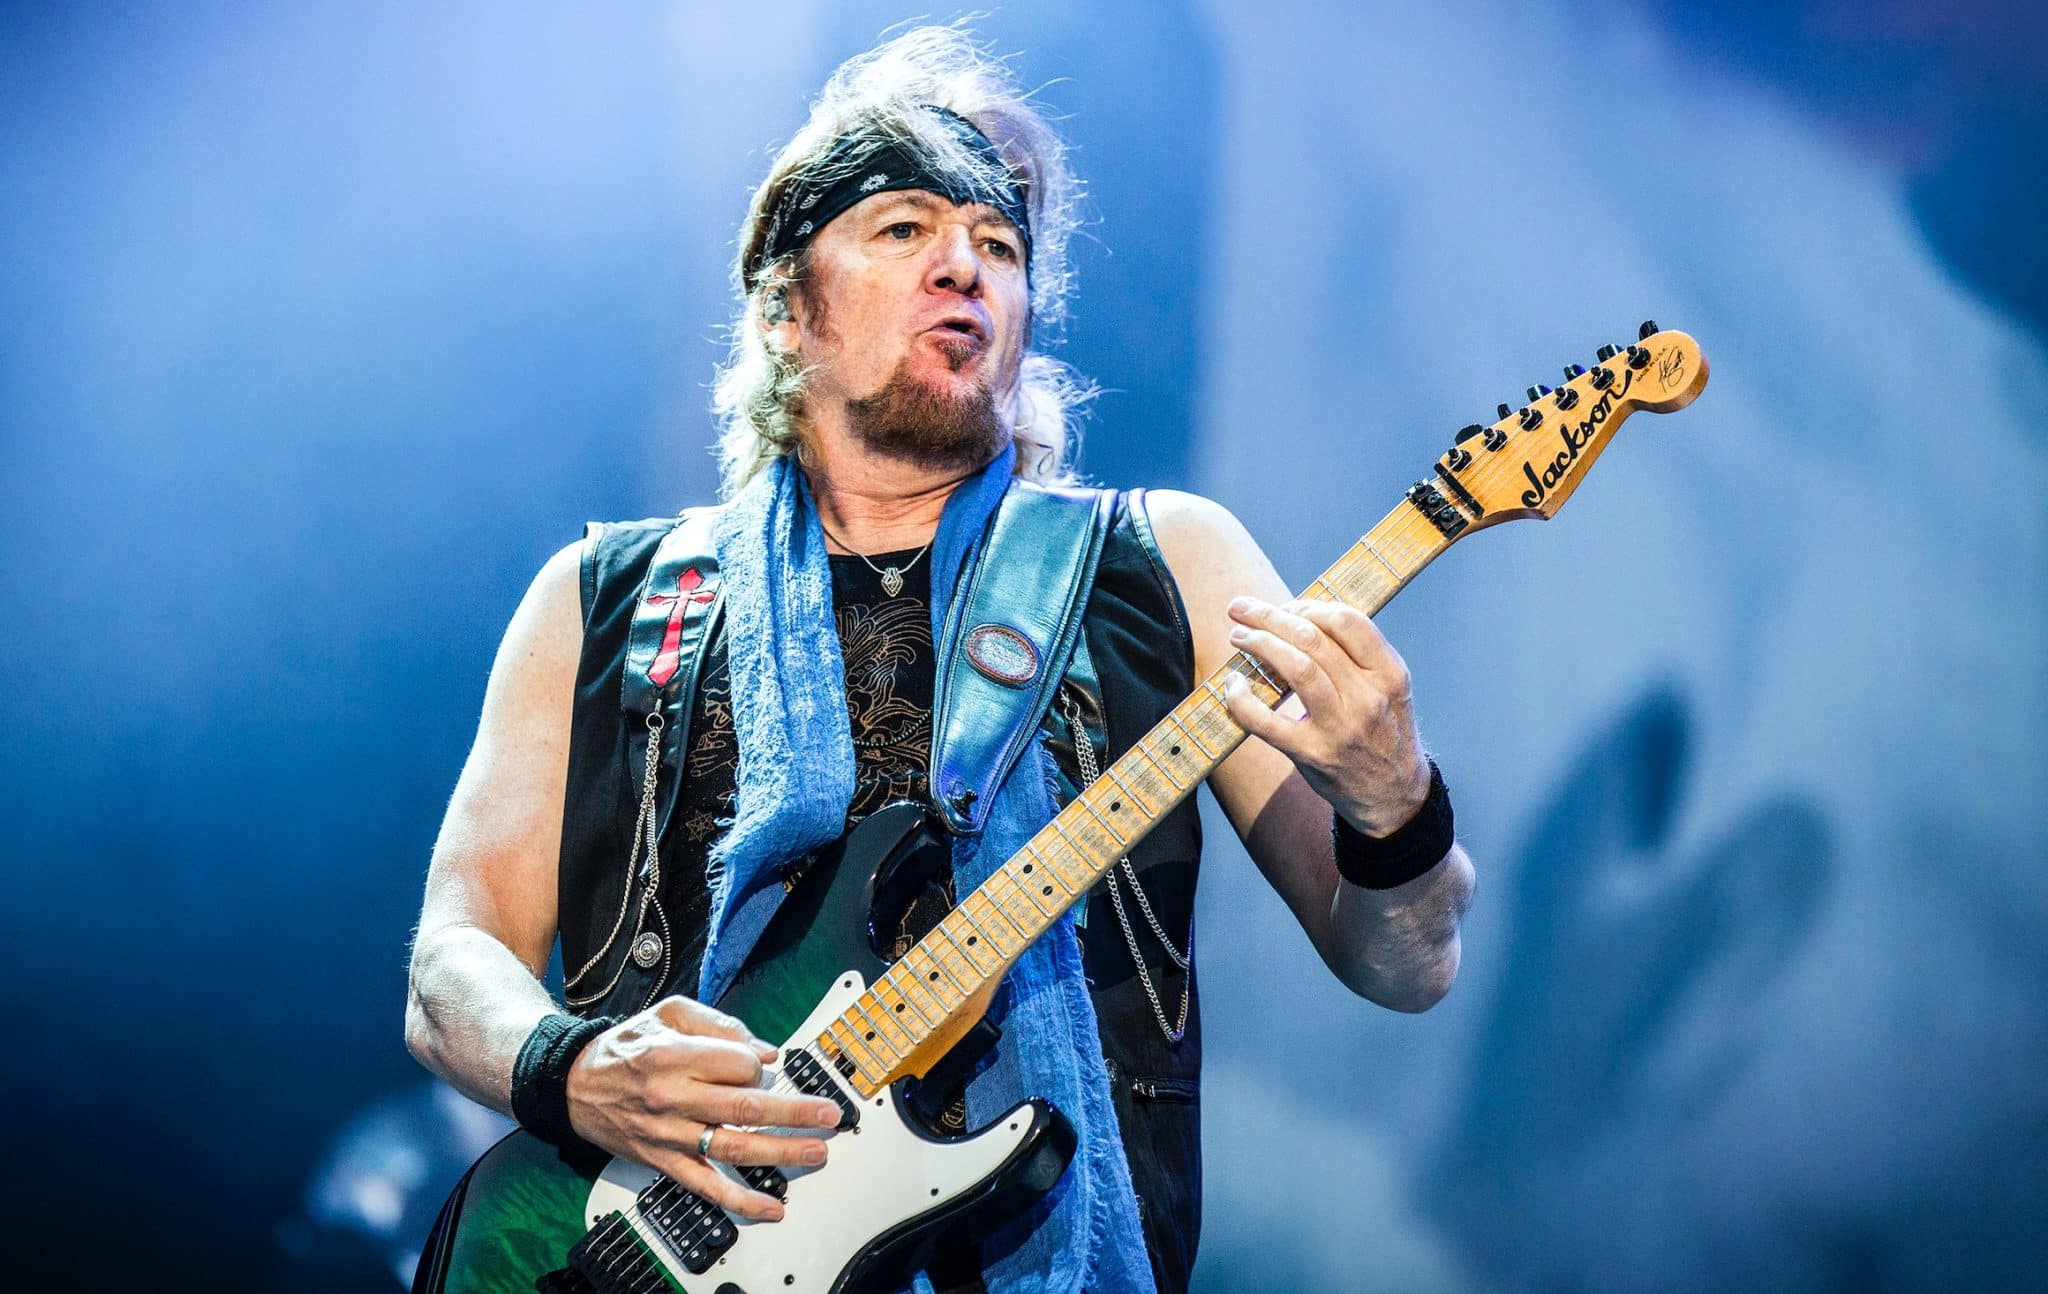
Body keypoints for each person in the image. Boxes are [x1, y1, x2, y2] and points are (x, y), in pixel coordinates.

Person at [404, 25, 1475, 1294]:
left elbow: (1401, 963)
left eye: (999, 246)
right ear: (785, 310)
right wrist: (574, 1068)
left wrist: (1393, 803)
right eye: (904, 227)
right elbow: (449, 963)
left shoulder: (1166, 565)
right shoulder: (606, 599)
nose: (963, 263)